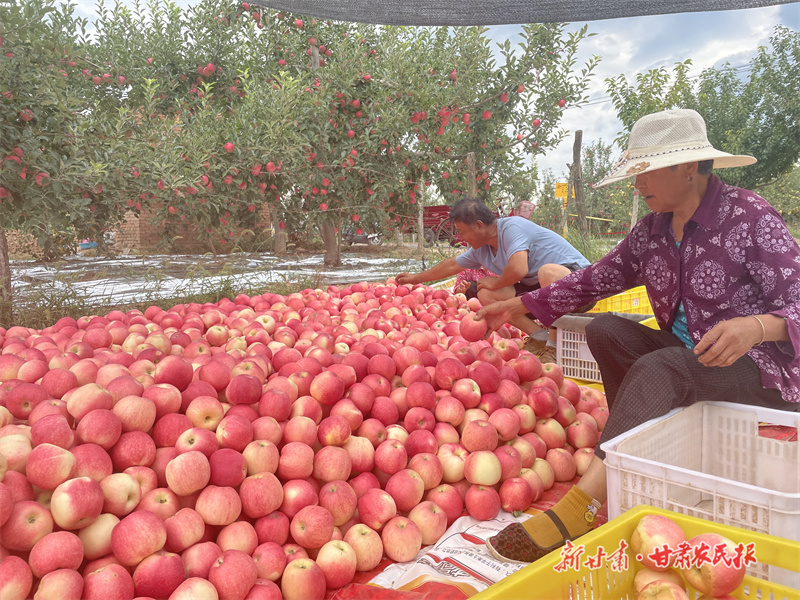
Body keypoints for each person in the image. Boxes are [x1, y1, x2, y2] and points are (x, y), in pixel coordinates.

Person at [476, 108, 800, 564]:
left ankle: (587, 499)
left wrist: (758, 326)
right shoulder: (652, 230)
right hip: (689, 359)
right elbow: (594, 280)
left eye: (645, 171)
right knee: (607, 331)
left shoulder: (749, 216)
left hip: (758, 371)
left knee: (659, 365)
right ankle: (637, 449)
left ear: (690, 166)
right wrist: (517, 305)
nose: (637, 184)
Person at [396, 197, 591, 362]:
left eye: (462, 232)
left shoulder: (513, 227)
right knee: (486, 294)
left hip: (579, 287)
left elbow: (519, 268)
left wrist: (495, 282)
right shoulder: (482, 249)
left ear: (479, 226)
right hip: (542, 293)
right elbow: (451, 265)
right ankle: (540, 336)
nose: (461, 238)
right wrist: (415, 278)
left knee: (548, 273)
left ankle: (554, 346)